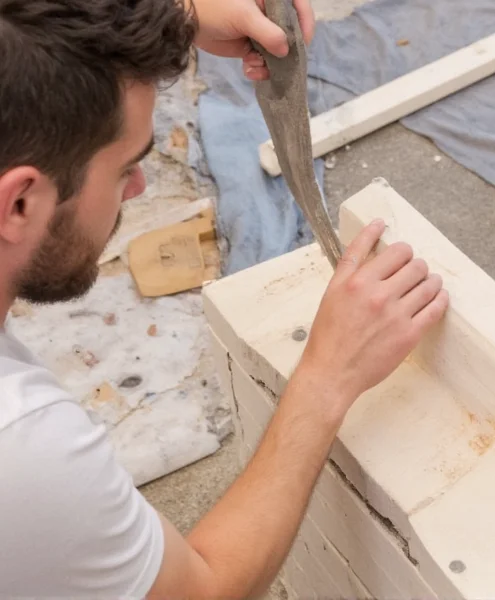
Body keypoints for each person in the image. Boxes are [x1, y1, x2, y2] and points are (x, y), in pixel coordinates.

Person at [0, 0, 449, 596]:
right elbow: (200, 590)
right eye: (126, 169)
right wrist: (326, 377)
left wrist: (181, 12)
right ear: (20, 204)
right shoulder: (26, 451)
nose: (137, 187)